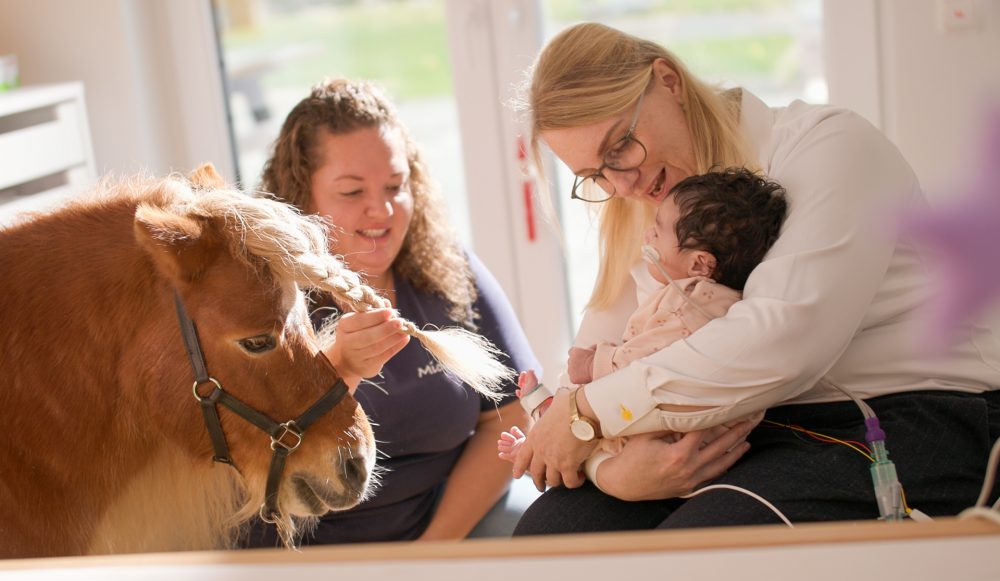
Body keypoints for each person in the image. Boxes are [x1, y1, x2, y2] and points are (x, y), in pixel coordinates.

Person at [510, 22, 1000, 535]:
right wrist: (610, 472)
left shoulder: (832, 147)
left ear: (668, 80)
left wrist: (587, 415)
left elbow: (779, 343)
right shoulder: (648, 210)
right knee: (548, 536)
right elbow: (582, 380)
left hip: (903, 414)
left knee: (706, 547)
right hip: (745, 429)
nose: (623, 183)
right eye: (595, 176)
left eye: (621, 147)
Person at [247, 78, 537, 545]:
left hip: (444, 529)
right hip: (304, 550)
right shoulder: (260, 301)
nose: (381, 210)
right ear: (302, 199)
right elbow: (262, 463)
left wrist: (435, 548)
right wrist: (340, 368)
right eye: (351, 191)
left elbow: (512, 415)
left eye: (396, 186)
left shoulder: (447, 271)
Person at [498, 168, 786, 493]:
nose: (647, 235)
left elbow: (646, 362)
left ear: (698, 264)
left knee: (601, 431)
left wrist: (593, 363)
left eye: (658, 232)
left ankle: (543, 431)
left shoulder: (689, 304)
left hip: (670, 439)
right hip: (681, 432)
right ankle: (545, 429)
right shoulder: (706, 299)